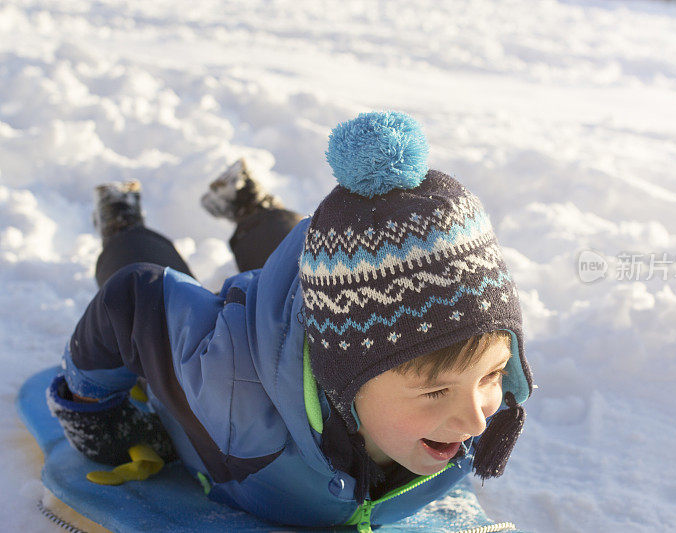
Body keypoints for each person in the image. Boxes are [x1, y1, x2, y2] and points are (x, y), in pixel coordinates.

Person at [46, 111, 535, 530]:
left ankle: (251, 205)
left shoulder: (459, 410)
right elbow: (133, 300)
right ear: (344, 382)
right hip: (247, 341)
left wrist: (453, 389)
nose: (477, 420)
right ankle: (123, 221)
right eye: (435, 391)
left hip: (325, 308)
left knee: (304, 248)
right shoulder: (227, 390)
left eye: (492, 375)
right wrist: (94, 411)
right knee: (182, 266)